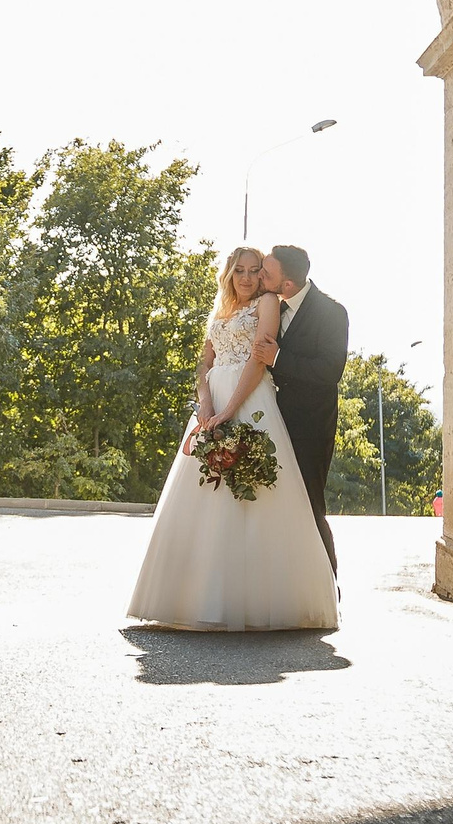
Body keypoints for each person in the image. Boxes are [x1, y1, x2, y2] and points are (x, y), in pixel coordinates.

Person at [125, 246, 339, 631]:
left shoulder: (270, 302)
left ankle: (274, 597)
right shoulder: (220, 309)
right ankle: (196, 596)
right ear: (229, 273)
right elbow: (204, 363)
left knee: (265, 494)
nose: (247, 277)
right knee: (206, 494)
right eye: (239, 270)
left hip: (254, 400)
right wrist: (205, 405)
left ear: (267, 278)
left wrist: (229, 410)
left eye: (255, 271)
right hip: (215, 400)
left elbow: (260, 359)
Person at [263, 243, 349, 575]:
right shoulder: (268, 304)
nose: (259, 276)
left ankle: (326, 586)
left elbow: (330, 372)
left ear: (287, 284)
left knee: (310, 503)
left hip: (310, 426)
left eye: (266, 273)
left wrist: (278, 359)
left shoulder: (332, 313)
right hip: (268, 419)